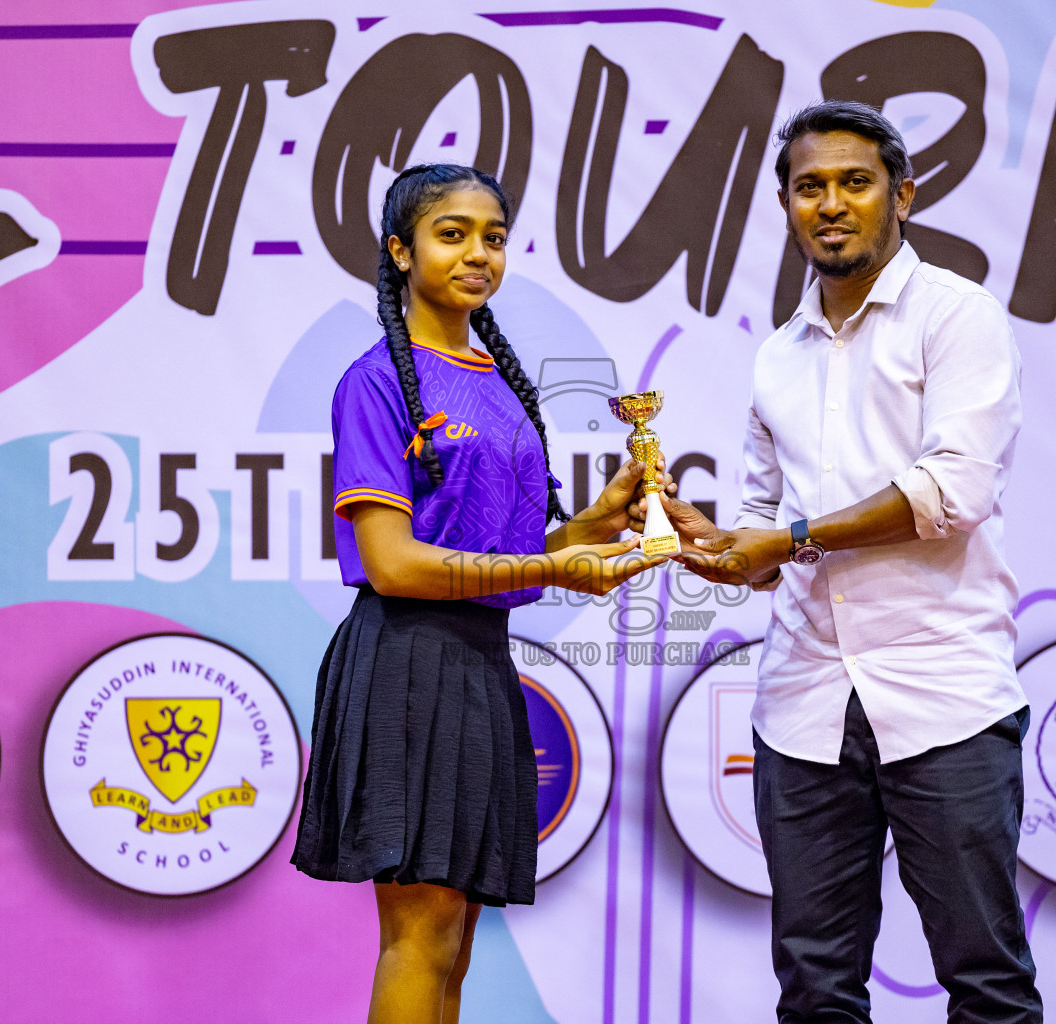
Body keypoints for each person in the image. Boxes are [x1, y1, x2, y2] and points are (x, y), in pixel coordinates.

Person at [660, 101, 1044, 1023]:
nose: (830, 203)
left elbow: (950, 495)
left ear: (902, 196)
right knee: (815, 989)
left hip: (942, 696)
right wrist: (720, 549)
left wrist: (785, 541)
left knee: (985, 983)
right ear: (787, 205)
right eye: (809, 187)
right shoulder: (775, 358)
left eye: (854, 183)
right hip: (802, 705)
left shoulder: (958, 315)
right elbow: (763, 523)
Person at [291, 163, 665, 1024]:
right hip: (407, 662)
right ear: (400, 250)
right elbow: (395, 564)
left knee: (453, 938)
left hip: (478, 662)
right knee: (419, 933)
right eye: (451, 234)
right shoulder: (377, 379)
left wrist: (594, 526)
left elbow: (508, 554)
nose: (477, 254)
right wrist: (550, 568)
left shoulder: (494, 378)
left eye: (492, 238)